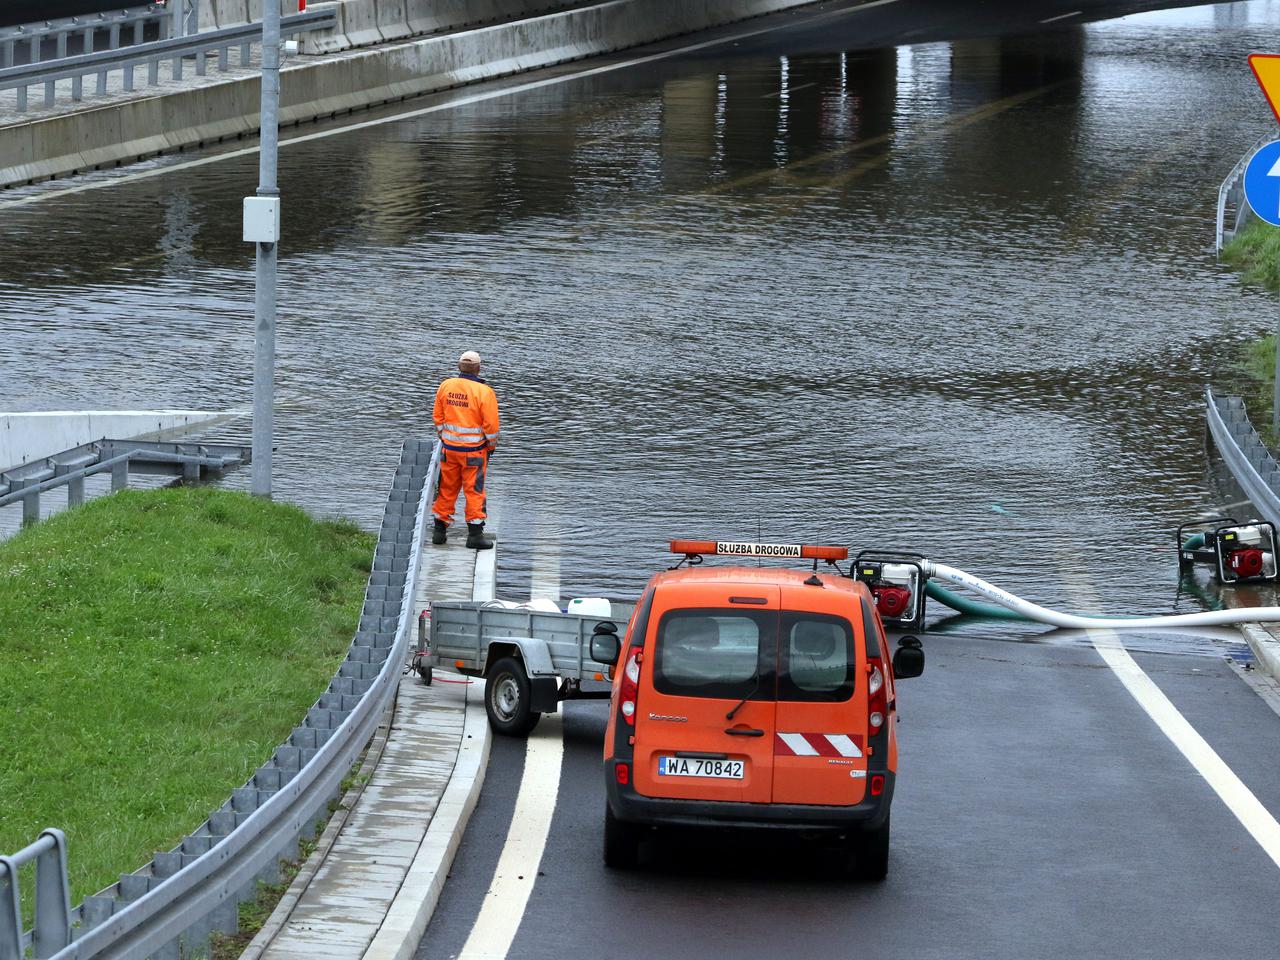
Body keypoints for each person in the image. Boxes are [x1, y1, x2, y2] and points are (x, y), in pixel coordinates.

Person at [432, 350, 500, 549]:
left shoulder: (446, 385)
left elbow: (438, 416)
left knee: (446, 489)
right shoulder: (484, 392)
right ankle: (475, 535)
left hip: (449, 450)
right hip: (474, 452)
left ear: (458, 366)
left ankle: (439, 531)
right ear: (478, 368)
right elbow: (491, 426)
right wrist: (491, 446)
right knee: (474, 491)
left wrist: (443, 436)